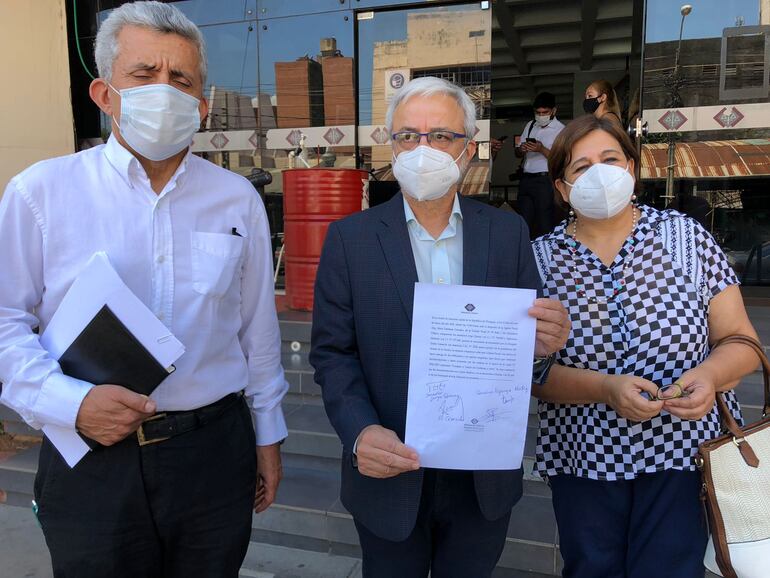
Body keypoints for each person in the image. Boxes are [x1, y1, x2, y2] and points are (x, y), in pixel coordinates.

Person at [0, 3, 287, 576]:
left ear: (202, 107)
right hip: (89, 456)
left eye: (181, 80)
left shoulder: (237, 200)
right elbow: (4, 320)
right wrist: (70, 403)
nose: (165, 91)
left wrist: (269, 435)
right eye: (144, 74)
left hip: (212, 453)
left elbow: (257, 328)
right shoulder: (41, 193)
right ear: (104, 94)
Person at [309, 76, 571, 578]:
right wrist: (360, 433)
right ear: (391, 144)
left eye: (441, 136)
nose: (422, 148)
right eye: (409, 135)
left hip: (481, 479)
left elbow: (528, 349)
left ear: (467, 150)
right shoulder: (350, 239)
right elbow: (332, 354)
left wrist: (544, 346)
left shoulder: (507, 232)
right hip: (389, 470)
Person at [530, 114, 759, 578]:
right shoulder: (539, 259)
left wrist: (710, 376)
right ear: (561, 187)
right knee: (591, 569)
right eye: (581, 166)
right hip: (584, 457)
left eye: (610, 159)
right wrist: (606, 389)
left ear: (632, 169)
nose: (599, 172)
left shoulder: (686, 239)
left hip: (684, 456)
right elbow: (531, 374)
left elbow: (743, 342)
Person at [514, 91, 565, 239]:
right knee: (523, 221)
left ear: (554, 111)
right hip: (526, 179)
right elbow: (517, 153)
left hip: (545, 181)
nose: (541, 115)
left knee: (544, 221)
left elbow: (561, 159)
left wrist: (541, 149)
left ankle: (546, 255)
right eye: (538, 112)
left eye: (545, 112)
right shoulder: (530, 125)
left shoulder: (561, 130)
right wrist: (521, 149)